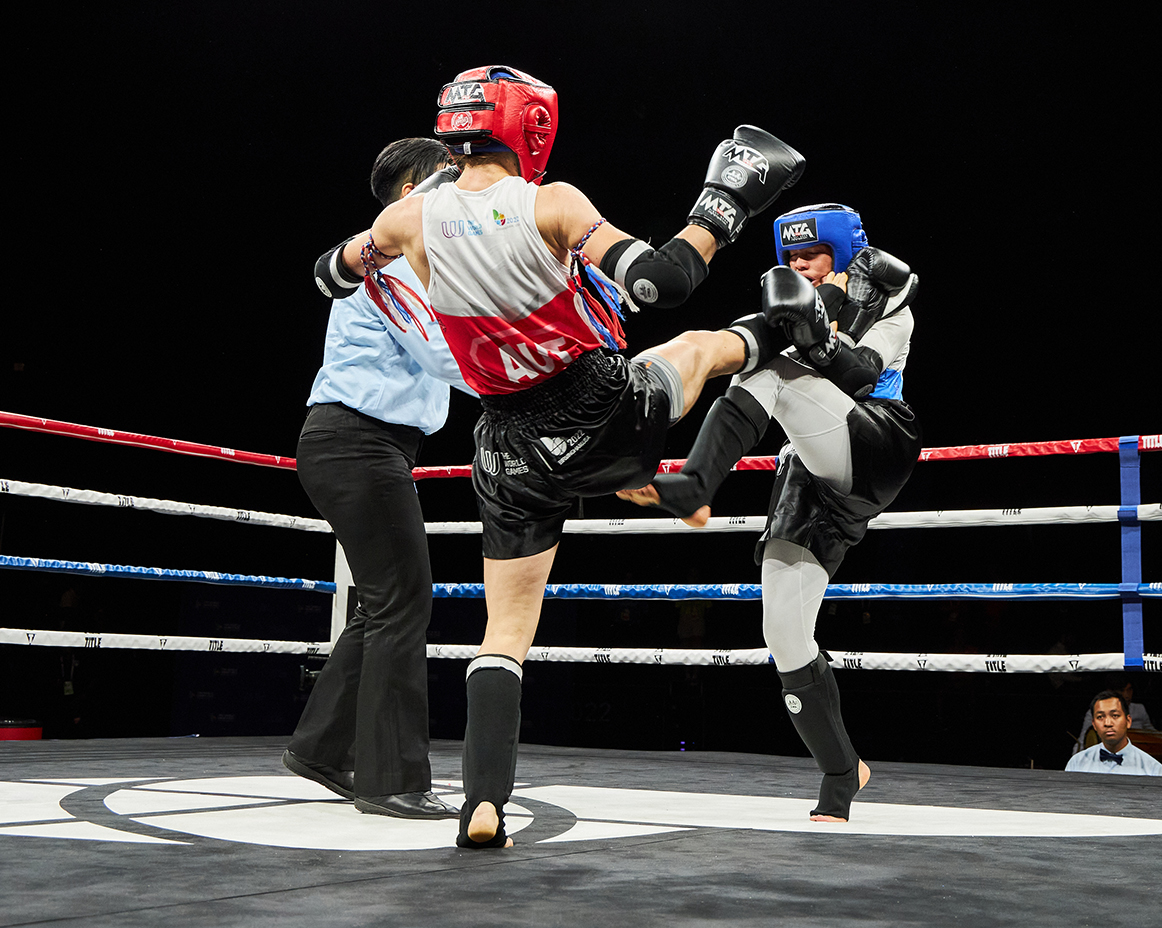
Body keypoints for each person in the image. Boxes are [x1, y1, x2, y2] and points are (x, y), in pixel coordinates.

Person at [315, 65, 805, 846]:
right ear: (530, 127)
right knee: (699, 347)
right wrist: (725, 203)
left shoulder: (408, 219)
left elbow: (330, 272)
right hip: (595, 404)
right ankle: (780, 331)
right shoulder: (552, 202)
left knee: (504, 630)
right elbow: (659, 283)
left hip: (503, 446)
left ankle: (483, 805)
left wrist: (375, 255)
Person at [617, 202, 920, 821]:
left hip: (876, 441)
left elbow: (863, 373)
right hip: (811, 465)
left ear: (842, 258)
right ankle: (842, 773)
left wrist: (815, 329)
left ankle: (694, 487)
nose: (801, 268)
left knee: (774, 371)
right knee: (783, 633)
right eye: (793, 259)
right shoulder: (786, 306)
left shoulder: (889, 293)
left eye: (814, 257)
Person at [284, 137, 474, 820]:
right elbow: (448, 355)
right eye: (447, 181)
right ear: (410, 193)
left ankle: (320, 749)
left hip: (369, 446)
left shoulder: (420, 263)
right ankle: (391, 779)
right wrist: (539, 366)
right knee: (403, 603)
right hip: (355, 442)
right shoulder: (387, 260)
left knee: (383, 603)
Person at [1065, 690, 1162, 776]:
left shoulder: (1153, 768)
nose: (1108, 723)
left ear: (1128, 721)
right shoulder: (1077, 763)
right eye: (1100, 717)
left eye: (1115, 716)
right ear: (1094, 725)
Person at [1076, 677, 1152, 742]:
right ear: (1111, 692)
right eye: (1122, 690)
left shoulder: (1139, 709)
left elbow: (1152, 733)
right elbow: (1084, 740)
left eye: (1129, 689)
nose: (1127, 695)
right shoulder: (1096, 711)